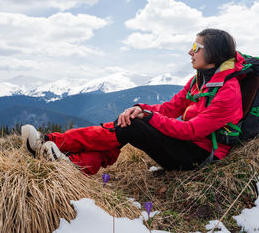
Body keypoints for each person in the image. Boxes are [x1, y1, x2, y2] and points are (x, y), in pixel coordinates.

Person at [21, 28, 244, 175]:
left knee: (133, 126)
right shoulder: (200, 80)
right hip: (186, 146)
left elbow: (191, 130)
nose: (189, 51)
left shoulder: (227, 92)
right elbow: (170, 108)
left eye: (196, 47)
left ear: (213, 53)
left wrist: (148, 116)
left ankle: (51, 142)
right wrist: (141, 108)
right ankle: (70, 165)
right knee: (129, 124)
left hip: (199, 157)